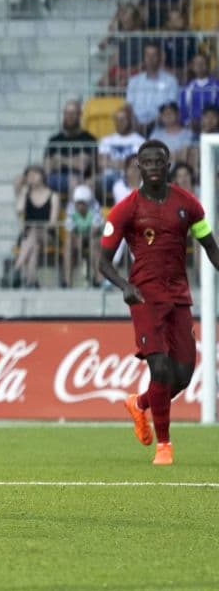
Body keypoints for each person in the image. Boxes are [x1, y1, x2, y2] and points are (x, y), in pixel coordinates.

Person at [99, 140, 219, 466]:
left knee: (182, 375)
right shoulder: (127, 208)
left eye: (159, 161)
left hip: (179, 296)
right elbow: (103, 261)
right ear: (138, 167)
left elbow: (209, 244)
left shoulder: (188, 206)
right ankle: (164, 445)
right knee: (161, 367)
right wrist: (124, 286)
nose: (153, 166)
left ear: (168, 165)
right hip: (144, 296)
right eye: (147, 162)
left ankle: (139, 405)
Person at [13, 165, 58, 289]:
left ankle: (17, 268)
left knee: (34, 233)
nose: (31, 177)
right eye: (29, 175)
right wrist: (23, 193)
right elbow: (19, 210)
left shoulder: (53, 195)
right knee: (35, 246)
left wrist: (38, 226)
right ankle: (31, 282)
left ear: (42, 176)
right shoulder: (26, 193)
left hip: (47, 234)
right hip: (29, 236)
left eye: (35, 174)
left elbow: (53, 222)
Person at [62, 184, 103, 288]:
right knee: (68, 245)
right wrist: (78, 240)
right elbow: (70, 230)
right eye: (78, 203)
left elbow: (95, 229)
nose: (80, 206)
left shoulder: (95, 206)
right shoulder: (71, 207)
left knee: (94, 244)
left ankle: (99, 279)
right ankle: (67, 282)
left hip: (92, 236)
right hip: (77, 237)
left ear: (88, 203)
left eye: (82, 203)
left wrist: (85, 238)